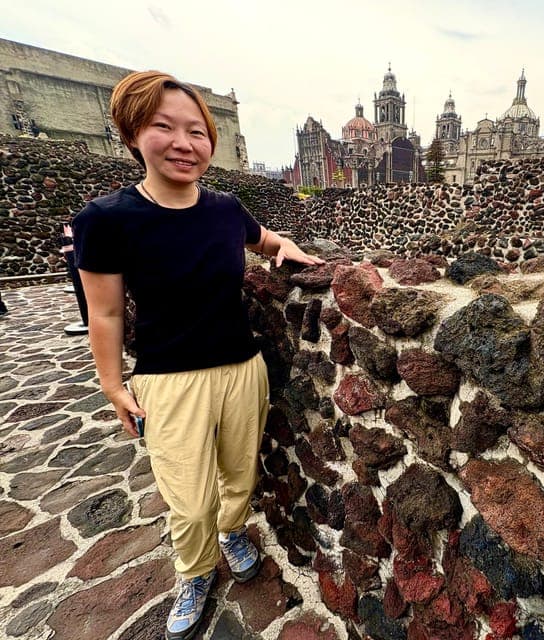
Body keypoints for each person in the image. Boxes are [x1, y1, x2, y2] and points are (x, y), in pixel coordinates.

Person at [72, 70, 323, 640]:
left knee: (239, 477)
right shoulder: (106, 220)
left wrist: (291, 249)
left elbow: (267, 242)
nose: (185, 144)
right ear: (132, 134)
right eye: (164, 127)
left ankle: (232, 531)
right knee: (186, 499)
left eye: (197, 131)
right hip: (168, 378)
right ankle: (195, 570)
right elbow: (106, 313)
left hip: (241, 369)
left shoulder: (226, 208)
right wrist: (112, 385)